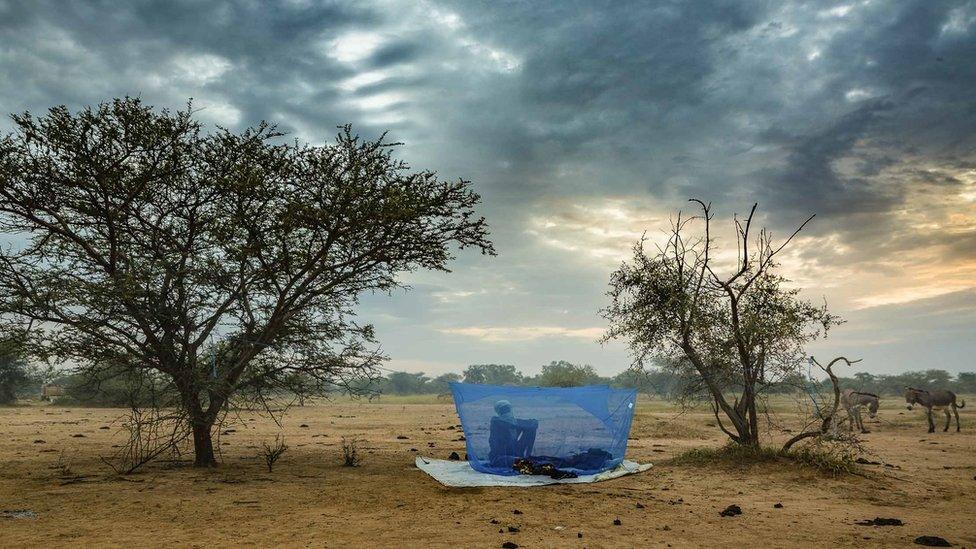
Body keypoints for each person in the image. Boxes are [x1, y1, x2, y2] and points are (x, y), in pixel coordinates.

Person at [488, 400, 538, 467]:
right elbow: (506, 424)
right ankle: (522, 459)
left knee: (531, 430)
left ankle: (527, 456)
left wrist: (525, 425)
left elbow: (533, 423)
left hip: (515, 452)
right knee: (520, 462)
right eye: (503, 410)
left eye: (507, 409)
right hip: (500, 456)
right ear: (498, 412)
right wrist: (521, 425)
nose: (506, 412)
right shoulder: (496, 422)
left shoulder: (514, 421)